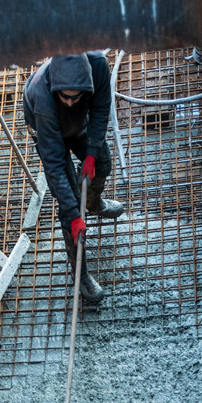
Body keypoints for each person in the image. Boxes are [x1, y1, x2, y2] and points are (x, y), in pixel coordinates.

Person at [23, 52, 125, 306]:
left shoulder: (98, 65)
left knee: (102, 163)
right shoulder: (42, 99)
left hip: (79, 124)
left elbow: (101, 110)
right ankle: (82, 275)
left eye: (75, 97)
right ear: (55, 87)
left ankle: (93, 203)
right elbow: (54, 166)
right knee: (69, 211)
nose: (69, 102)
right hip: (46, 126)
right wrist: (73, 213)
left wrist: (90, 156)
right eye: (64, 97)